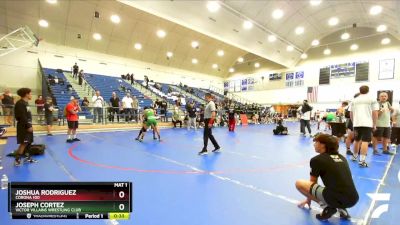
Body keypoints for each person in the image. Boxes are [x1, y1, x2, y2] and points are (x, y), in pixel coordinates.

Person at [296, 133, 359, 221]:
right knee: (335, 188)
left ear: (323, 145)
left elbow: (312, 184)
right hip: (353, 199)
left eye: (316, 142)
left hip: (337, 197)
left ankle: (328, 207)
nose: (314, 144)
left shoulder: (317, 160)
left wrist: (308, 200)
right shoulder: (342, 158)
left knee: (299, 183)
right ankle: (341, 208)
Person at [349, 85, 379, 167]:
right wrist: (374, 124)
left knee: (356, 140)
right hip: (367, 123)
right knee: (365, 141)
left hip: (356, 123)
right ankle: (362, 161)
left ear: (360, 90)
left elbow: (351, 113)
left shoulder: (354, 100)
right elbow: (375, 113)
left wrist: (354, 122)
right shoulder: (372, 99)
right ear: (368, 91)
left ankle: (354, 156)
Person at [13, 88, 37, 166]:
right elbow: (22, 117)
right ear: (26, 94)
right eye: (30, 93)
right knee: (24, 143)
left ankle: (27, 158)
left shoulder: (26, 103)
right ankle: (17, 160)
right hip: (23, 126)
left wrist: (30, 124)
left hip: (28, 125)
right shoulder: (20, 103)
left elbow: (27, 115)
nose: (31, 95)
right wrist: (28, 126)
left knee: (28, 142)